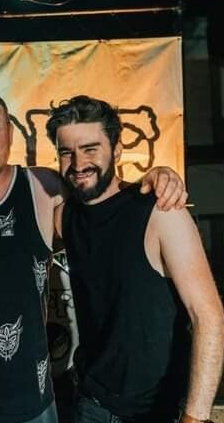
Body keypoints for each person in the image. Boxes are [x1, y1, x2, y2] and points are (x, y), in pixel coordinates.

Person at [0, 85, 187, 423]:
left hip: (27, 400)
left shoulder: (42, 187)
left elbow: (104, 201)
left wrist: (153, 180)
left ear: (10, 134)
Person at [45, 95, 224, 423]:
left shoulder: (160, 211)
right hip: (91, 404)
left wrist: (195, 418)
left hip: (156, 411)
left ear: (117, 150)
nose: (78, 163)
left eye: (90, 149)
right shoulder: (64, 217)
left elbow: (208, 315)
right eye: (67, 152)